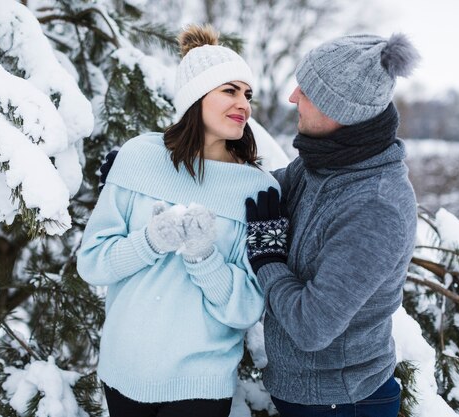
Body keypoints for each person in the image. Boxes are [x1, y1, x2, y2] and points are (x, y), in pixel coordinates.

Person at [77, 24, 279, 417]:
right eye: (230, 90)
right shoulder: (137, 157)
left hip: (200, 382)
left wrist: (205, 258)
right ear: (195, 96)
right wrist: (149, 241)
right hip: (124, 370)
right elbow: (93, 263)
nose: (244, 104)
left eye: (248, 94)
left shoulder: (255, 189)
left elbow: (246, 308)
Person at [245, 34, 421, 417]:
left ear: (337, 109)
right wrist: (154, 167)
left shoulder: (376, 207)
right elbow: (259, 191)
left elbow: (312, 327)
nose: (292, 97)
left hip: (342, 404)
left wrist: (267, 256)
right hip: (309, 397)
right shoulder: (327, 163)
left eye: (305, 90)